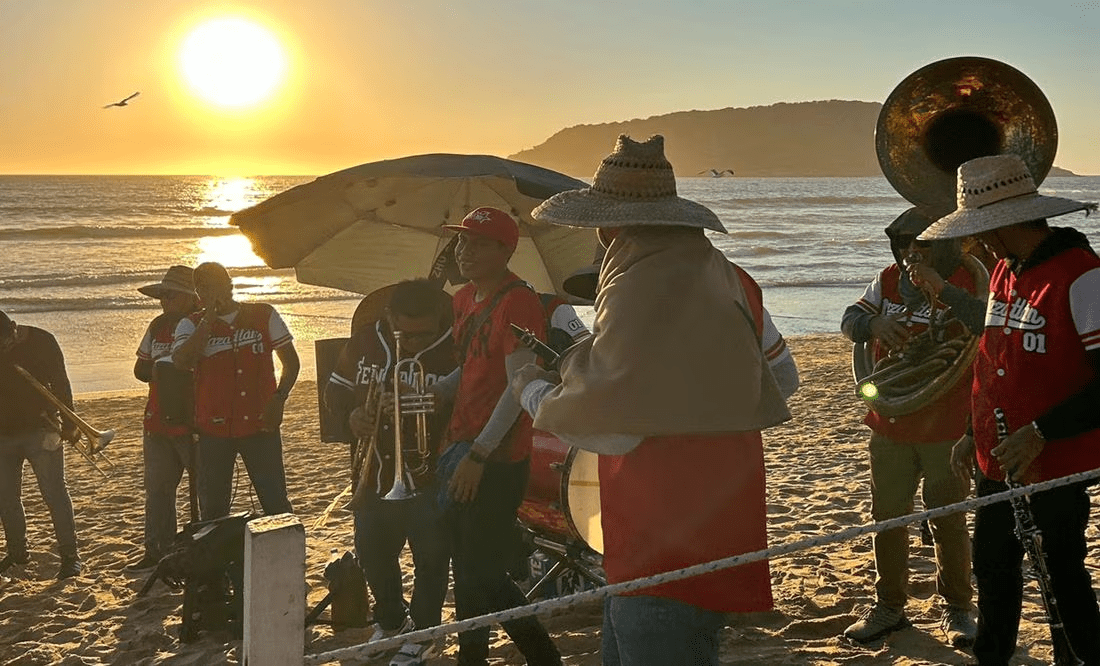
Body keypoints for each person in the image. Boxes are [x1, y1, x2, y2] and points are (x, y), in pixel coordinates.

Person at [513, 135, 797, 666]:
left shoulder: (632, 288)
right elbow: (782, 377)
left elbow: (609, 426)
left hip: (656, 528)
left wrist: (528, 388)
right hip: (725, 517)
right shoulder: (734, 278)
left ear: (607, 226)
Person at [919, 154, 1100, 665]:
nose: (974, 243)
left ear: (1007, 224)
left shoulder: (1084, 277)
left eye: (980, 231)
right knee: (993, 566)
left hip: (1054, 463)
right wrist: (971, 433)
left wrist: (1042, 431)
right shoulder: (1002, 270)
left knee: (1063, 573)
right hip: (999, 456)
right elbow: (994, 359)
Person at [839, 207, 985, 646]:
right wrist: (875, 322)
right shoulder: (887, 279)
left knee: (948, 517)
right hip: (891, 421)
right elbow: (850, 320)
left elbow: (989, 325)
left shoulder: (972, 278)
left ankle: (958, 608)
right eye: (905, 247)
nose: (911, 255)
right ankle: (889, 607)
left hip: (947, 423)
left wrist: (943, 292)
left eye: (922, 246)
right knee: (887, 516)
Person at [431, 206, 562, 666]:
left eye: (478, 243)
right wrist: (432, 390)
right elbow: (471, 367)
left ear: (505, 250)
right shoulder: (463, 299)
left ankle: (541, 655)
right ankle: (477, 656)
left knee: (481, 571)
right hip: (460, 444)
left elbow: (518, 384)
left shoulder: (518, 301)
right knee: (467, 567)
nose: (464, 251)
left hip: (497, 457)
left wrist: (480, 455)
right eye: (461, 242)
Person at [323, 279, 455, 665]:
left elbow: (470, 405)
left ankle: (425, 631)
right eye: (405, 333)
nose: (412, 343)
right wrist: (352, 415)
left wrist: (430, 405)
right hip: (374, 474)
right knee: (373, 554)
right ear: (389, 317)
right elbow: (335, 393)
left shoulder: (453, 346)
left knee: (431, 558)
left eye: (423, 334)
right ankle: (392, 621)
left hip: (430, 475)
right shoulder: (366, 341)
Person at [170, 262, 298, 521]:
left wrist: (279, 399)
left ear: (229, 285)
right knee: (214, 509)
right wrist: (208, 321)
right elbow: (181, 361)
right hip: (213, 431)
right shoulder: (189, 324)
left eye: (216, 285)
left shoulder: (263, 314)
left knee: (275, 501)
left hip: (260, 425)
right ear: (198, 294)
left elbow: (291, 362)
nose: (210, 292)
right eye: (203, 288)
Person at [126, 265, 201, 572]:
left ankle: (201, 548)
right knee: (158, 490)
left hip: (193, 422)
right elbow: (139, 369)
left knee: (203, 491)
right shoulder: (157, 326)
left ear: (188, 298)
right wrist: (162, 366)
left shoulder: (200, 324)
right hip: (157, 420)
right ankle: (157, 550)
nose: (163, 301)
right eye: (162, 296)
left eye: (169, 296)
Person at [0, 310, 83, 580]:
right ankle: (17, 553)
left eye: (6, 343)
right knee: (6, 498)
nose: (3, 349)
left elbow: (60, 381)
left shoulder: (42, 341)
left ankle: (70, 556)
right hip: (2, 434)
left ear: (13, 328)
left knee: (54, 493)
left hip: (41, 428)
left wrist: (70, 423)